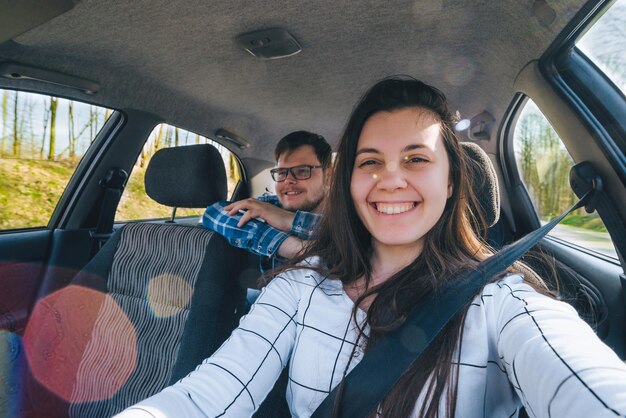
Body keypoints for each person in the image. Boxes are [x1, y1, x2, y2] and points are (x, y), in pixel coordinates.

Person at [116, 77, 626, 417]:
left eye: (417, 159)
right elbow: (209, 394)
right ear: (351, 182)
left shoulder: (502, 302)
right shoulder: (300, 288)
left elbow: (587, 384)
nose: (391, 180)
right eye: (371, 162)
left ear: (451, 183)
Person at [202, 130, 332, 273]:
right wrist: (289, 246)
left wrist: (288, 220)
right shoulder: (270, 205)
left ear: (328, 177)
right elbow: (213, 212)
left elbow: (352, 237)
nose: (288, 180)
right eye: (282, 173)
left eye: (302, 171)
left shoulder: (350, 211)